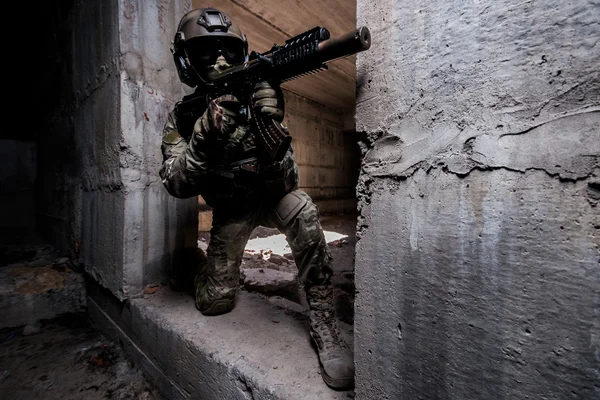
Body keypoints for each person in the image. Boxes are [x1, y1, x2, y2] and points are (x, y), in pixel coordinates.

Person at [159, 7, 354, 390]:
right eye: (206, 52)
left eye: (228, 52)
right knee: (214, 303)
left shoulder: (258, 93)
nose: (219, 60)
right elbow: (175, 183)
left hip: (272, 196)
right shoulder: (183, 118)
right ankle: (195, 266)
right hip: (232, 208)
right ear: (185, 63)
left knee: (302, 208)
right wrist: (203, 138)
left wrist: (271, 124)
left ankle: (322, 319)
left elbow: (291, 178)